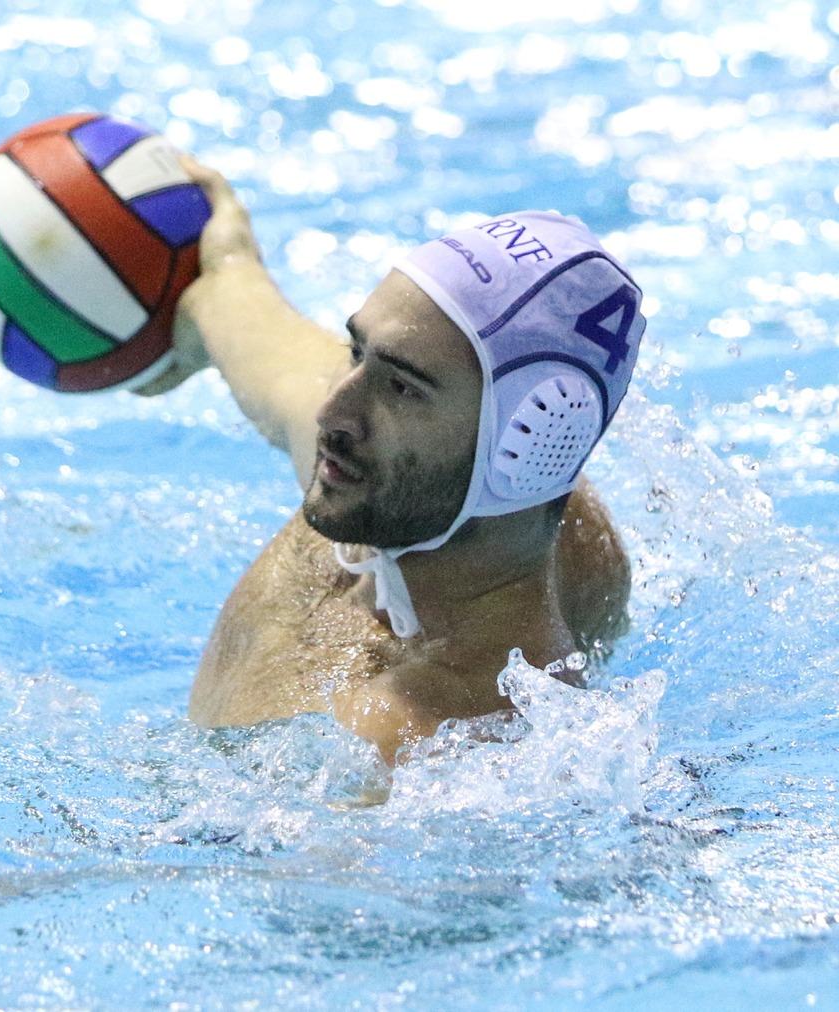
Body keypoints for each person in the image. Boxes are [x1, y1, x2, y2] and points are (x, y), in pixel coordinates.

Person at [140, 157, 646, 763]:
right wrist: (212, 267)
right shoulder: (393, 492)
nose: (333, 411)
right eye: (359, 352)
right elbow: (233, 300)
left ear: (526, 445)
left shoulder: (450, 753)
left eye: (402, 387)